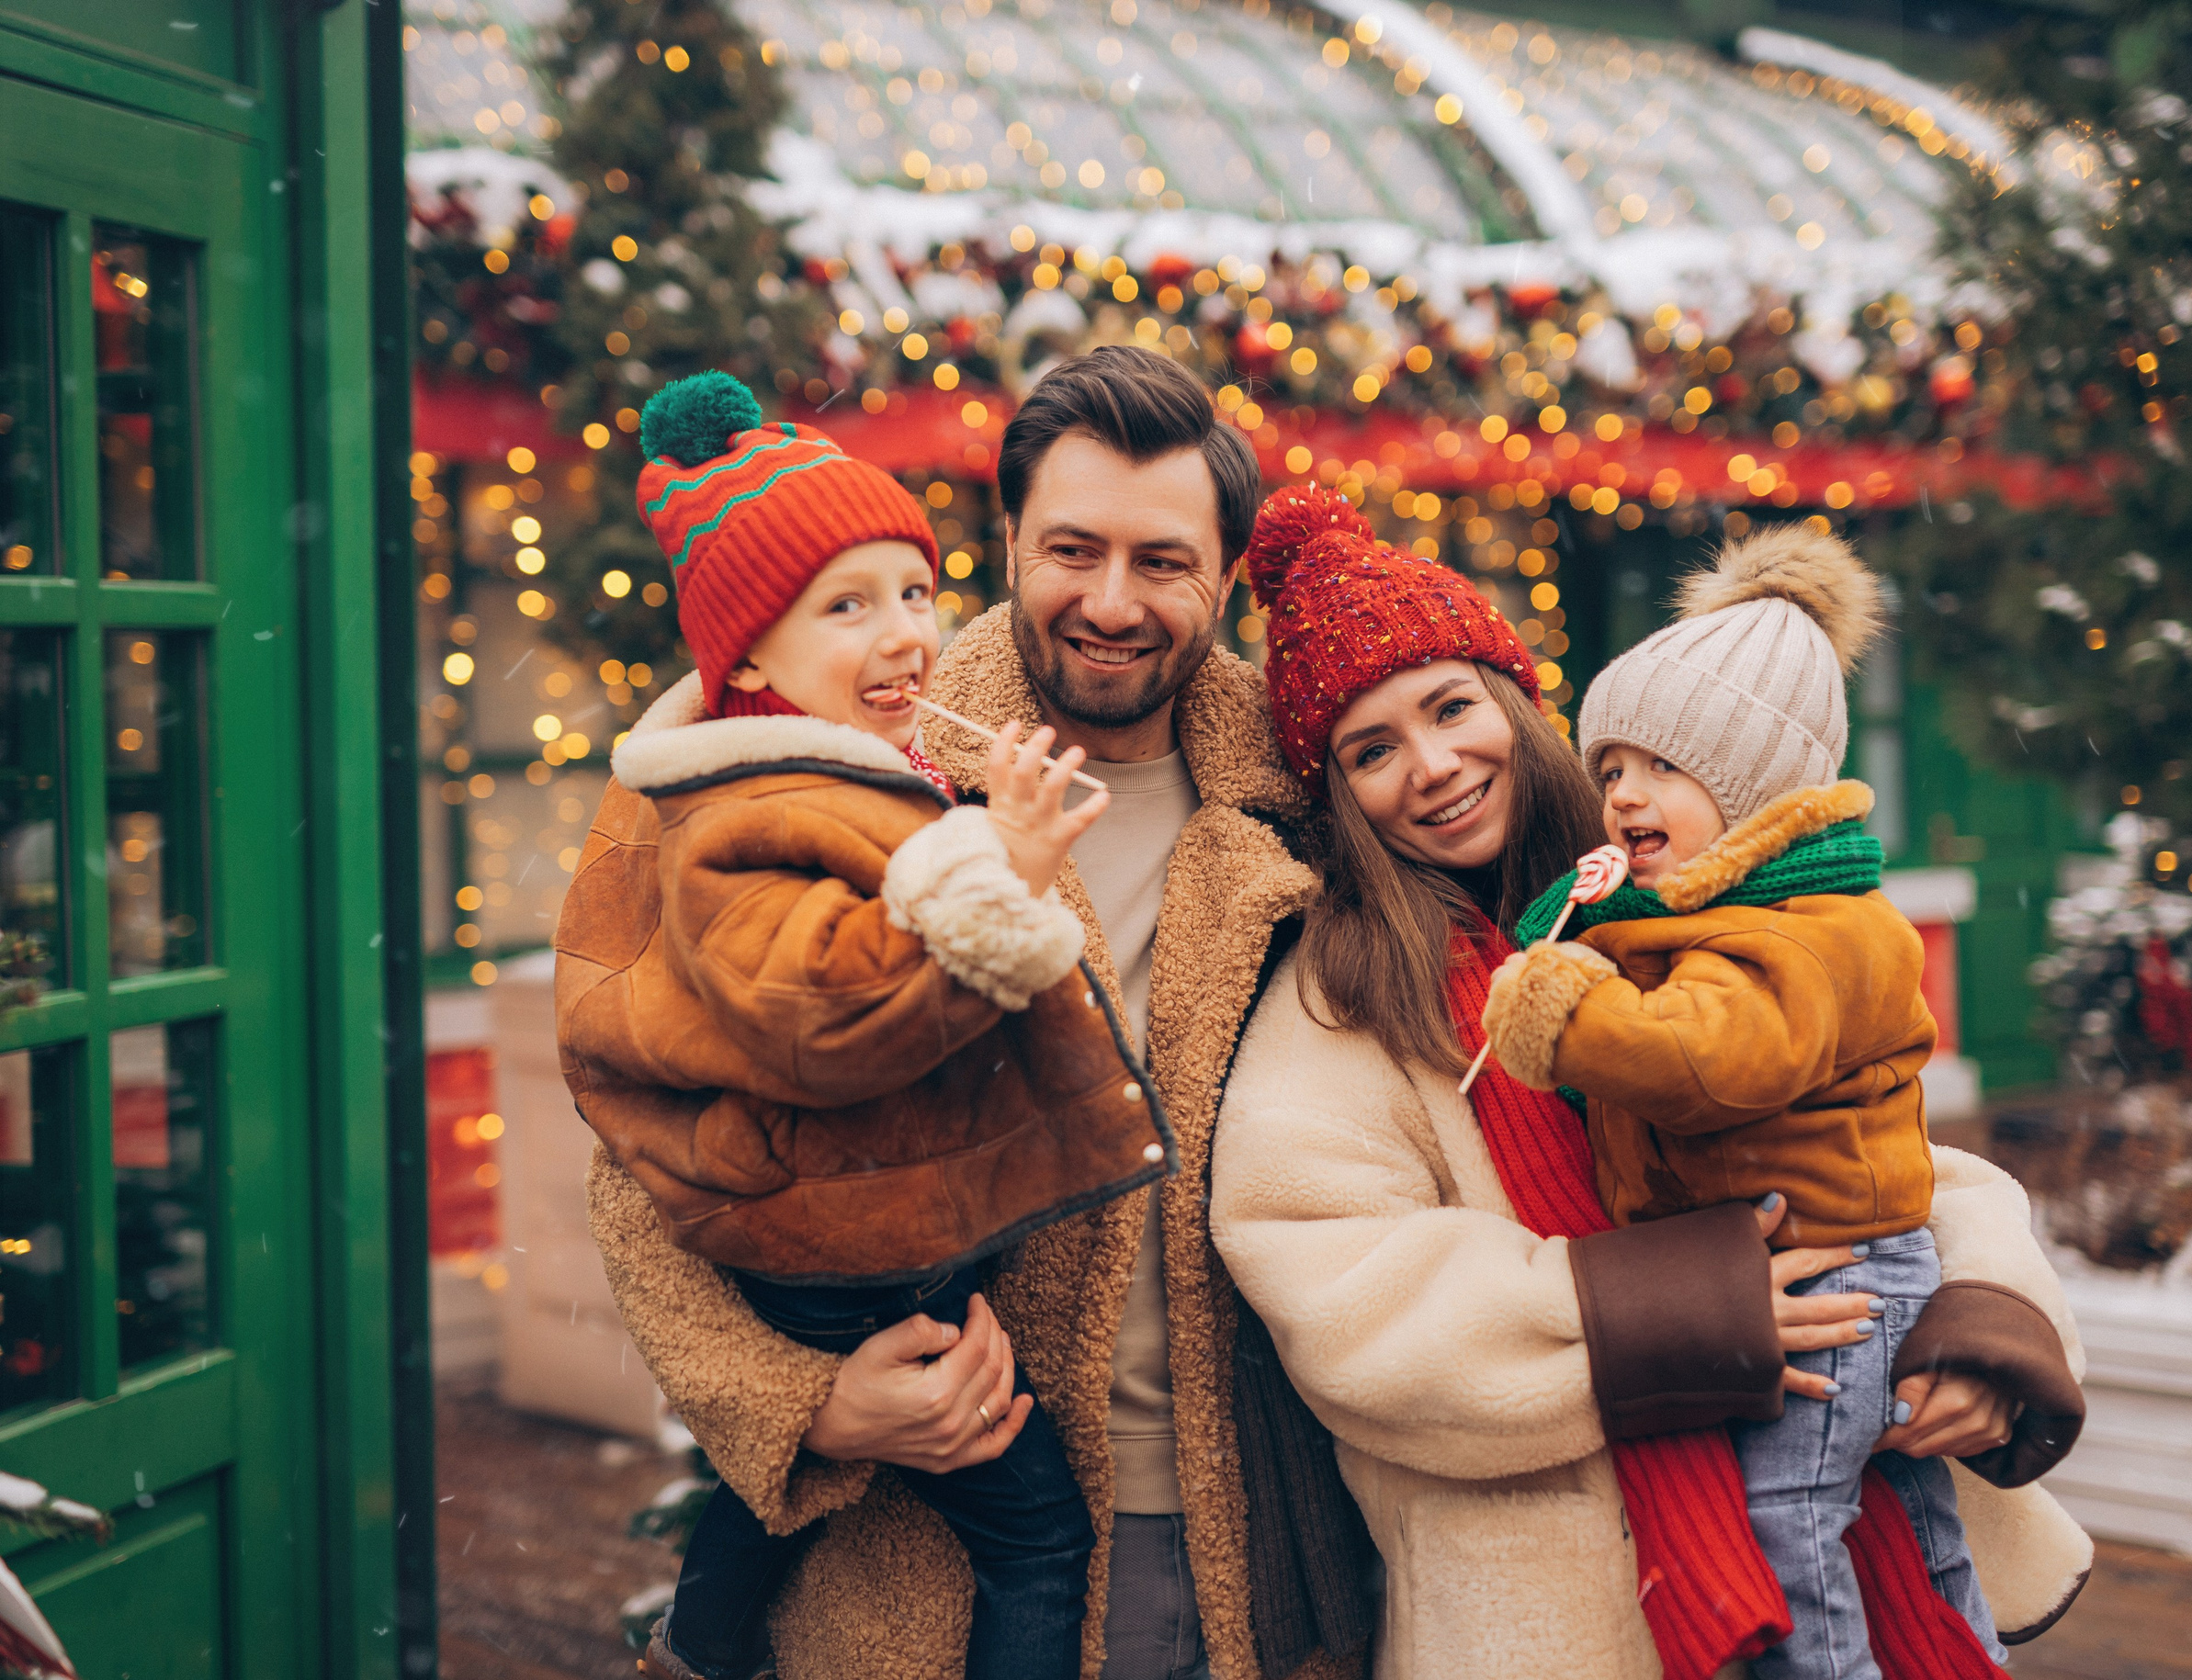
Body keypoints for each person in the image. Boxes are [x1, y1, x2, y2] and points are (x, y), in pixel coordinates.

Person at [579, 347, 1377, 1680]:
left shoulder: (1319, 784)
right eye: (1072, 548)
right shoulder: (831, 758)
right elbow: (642, 1155)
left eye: (1163, 561)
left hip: (1262, 1549)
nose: (1111, 603)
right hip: (916, 1559)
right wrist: (810, 1406)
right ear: (1006, 541)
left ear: (1227, 576)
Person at [1211, 485, 2096, 1679]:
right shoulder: (1338, 996)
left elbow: (1892, 1151)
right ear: (1338, 794)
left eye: (1451, 706)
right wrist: (1684, 1313)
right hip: (1559, 1619)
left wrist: (1977, 1331)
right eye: (1371, 749)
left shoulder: (1706, 890)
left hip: (1851, 1523)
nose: (1431, 765)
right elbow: (1340, 1296)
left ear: (1519, 705)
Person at [1479, 524, 1999, 1677]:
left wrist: (1569, 1010)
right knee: (1913, 1525)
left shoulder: (1810, 932)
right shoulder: (1717, 916)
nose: (1622, 796)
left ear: (1759, 782)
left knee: (1789, 1527)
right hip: (1827, 1263)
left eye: (1661, 768)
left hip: (1837, 1278)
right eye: (1608, 769)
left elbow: (1717, 1060)